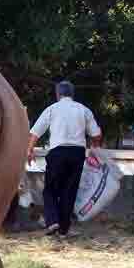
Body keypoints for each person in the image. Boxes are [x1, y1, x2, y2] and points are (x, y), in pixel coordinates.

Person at [27, 80, 102, 238]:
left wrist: (29, 149)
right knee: (69, 191)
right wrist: (95, 147)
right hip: (77, 154)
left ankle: (53, 221)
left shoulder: (52, 109)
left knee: (50, 190)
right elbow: (96, 134)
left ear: (57, 94)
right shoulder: (83, 110)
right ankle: (63, 230)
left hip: (58, 153)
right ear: (72, 94)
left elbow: (36, 131)